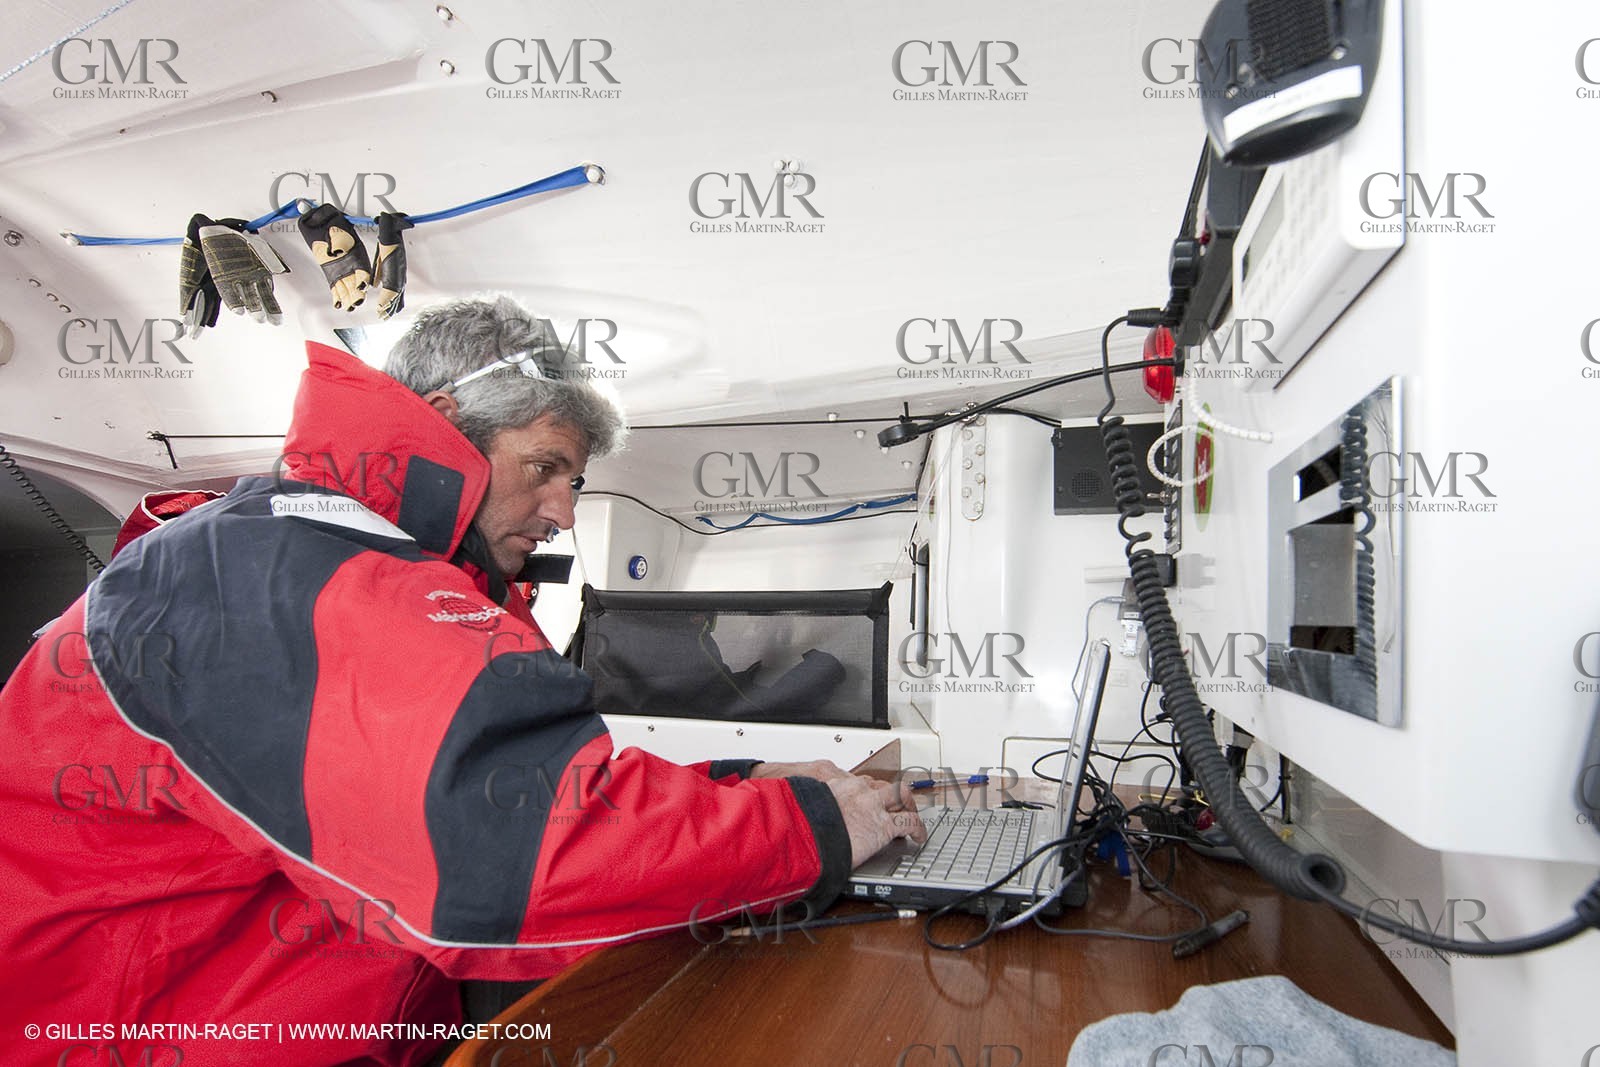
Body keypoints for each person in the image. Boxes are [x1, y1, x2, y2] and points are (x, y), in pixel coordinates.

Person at [0, 296, 923, 1067]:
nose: (564, 512)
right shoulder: (272, 570)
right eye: (546, 467)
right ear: (443, 423)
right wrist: (816, 824)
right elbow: (508, 855)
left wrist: (738, 788)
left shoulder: (387, 571)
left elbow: (532, 779)